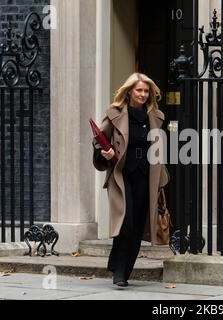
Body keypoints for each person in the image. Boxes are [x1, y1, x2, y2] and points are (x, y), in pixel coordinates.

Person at [92, 73, 169, 287]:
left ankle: (123, 273)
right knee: (126, 223)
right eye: (139, 90)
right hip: (122, 175)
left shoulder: (155, 117)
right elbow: (99, 141)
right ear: (129, 92)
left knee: (137, 227)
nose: (143, 94)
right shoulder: (115, 114)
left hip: (146, 177)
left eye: (146, 91)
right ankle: (117, 267)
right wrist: (104, 153)